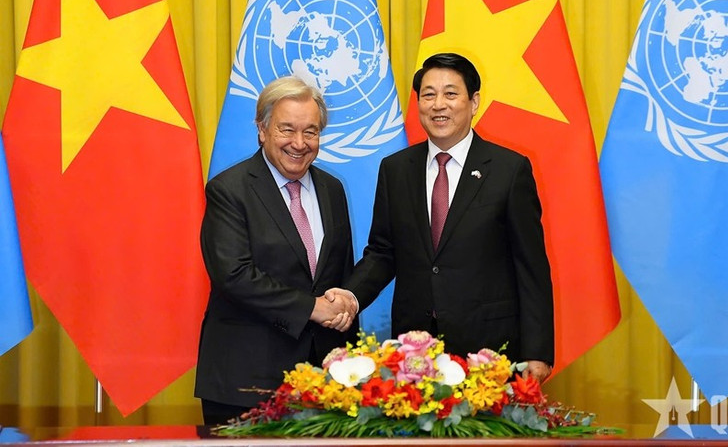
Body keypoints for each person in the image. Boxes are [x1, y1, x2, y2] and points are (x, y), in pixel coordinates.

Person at [328, 52, 554, 382]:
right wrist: (350, 296)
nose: (438, 105)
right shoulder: (396, 170)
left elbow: (530, 265)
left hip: (489, 349)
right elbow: (383, 252)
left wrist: (538, 351)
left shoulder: (508, 170)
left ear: (474, 102)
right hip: (414, 351)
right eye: (429, 94)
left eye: (450, 94)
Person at [195, 77, 357, 425]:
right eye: (287, 129)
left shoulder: (332, 189)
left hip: (325, 383)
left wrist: (345, 309)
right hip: (247, 382)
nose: (299, 143)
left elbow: (339, 274)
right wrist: (311, 308)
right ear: (262, 129)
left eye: (311, 132)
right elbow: (234, 277)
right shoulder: (229, 190)